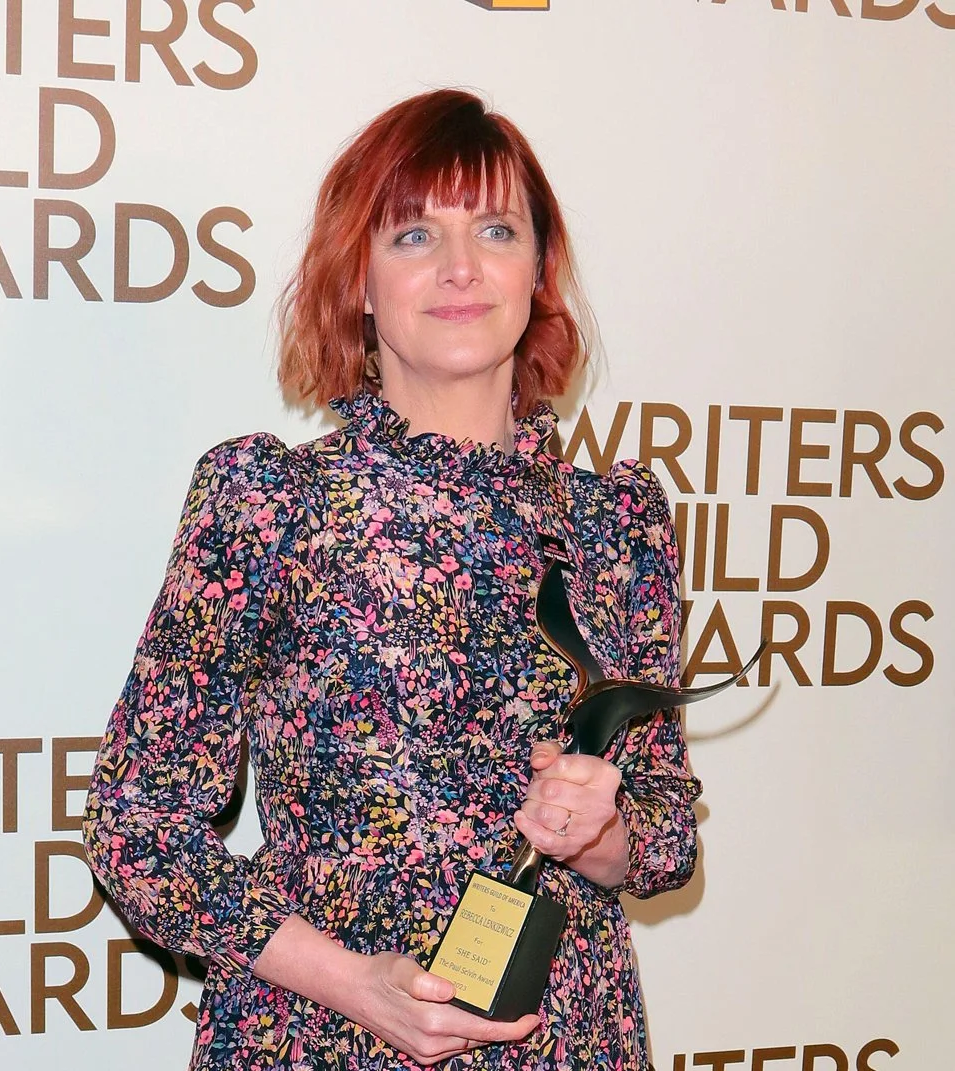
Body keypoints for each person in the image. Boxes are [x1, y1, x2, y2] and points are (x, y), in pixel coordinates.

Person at [83, 89, 698, 1070]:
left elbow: (664, 831)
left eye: (495, 229)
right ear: (359, 281)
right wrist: (353, 984)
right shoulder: (266, 506)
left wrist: (601, 834)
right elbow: (139, 829)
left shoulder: (616, 527)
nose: (460, 267)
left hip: (566, 1042)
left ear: (538, 270)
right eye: (413, 234)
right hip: (317, 1042)